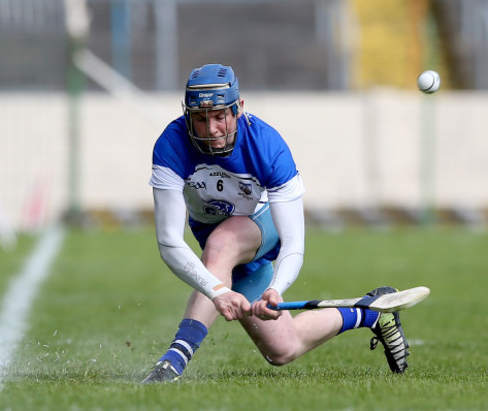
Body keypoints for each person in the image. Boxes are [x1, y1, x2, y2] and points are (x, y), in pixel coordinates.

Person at [142, 63, 409, 383]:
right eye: (200, 119)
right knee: (283, 348)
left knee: (221, 245)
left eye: (219, 117)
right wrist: (217, 291)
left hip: (259, 226)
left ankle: (172, 363)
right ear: (187, 116)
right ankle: (370, 315)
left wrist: (276, 290)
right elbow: (170, 241)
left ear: (238, 109)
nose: (211, 129)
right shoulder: (171, 146)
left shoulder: (268, 147)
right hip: (220, 247)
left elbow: (294, 242)